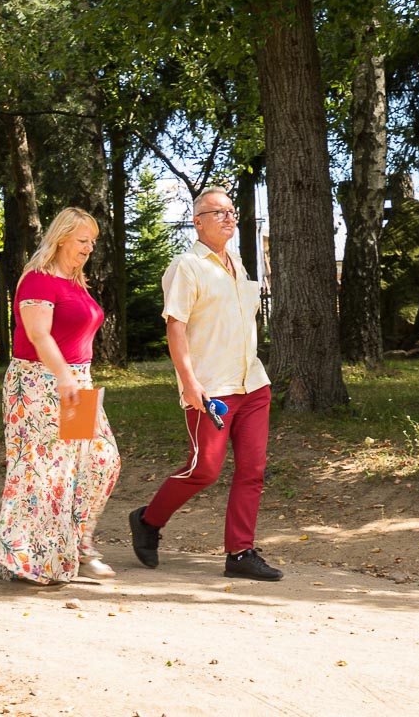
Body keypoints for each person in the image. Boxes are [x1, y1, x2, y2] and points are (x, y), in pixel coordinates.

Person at [128, 187, 283, 582]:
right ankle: (147, 520)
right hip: (212, 390)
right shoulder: (186, 266)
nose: (229, 218)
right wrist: (189, 383)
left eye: (231, 212)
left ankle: (240, 552)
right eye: (219, 213)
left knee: (252, 470)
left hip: (253, 385)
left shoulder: (237, 262)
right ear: (198, 222)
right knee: (205, 469)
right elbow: (176, 328)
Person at [0, 207, 122, 584]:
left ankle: (77, 544)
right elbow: (38, 334)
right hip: (38, 383)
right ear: (61, 238)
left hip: (76, 382)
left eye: (92, 241)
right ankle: (26, 556)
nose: (89, 248)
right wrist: (63, 376)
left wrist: (74, 378)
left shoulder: (76, 282)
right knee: (44, 472)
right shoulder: (39, 279)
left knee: (100, 462)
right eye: (82, 240)